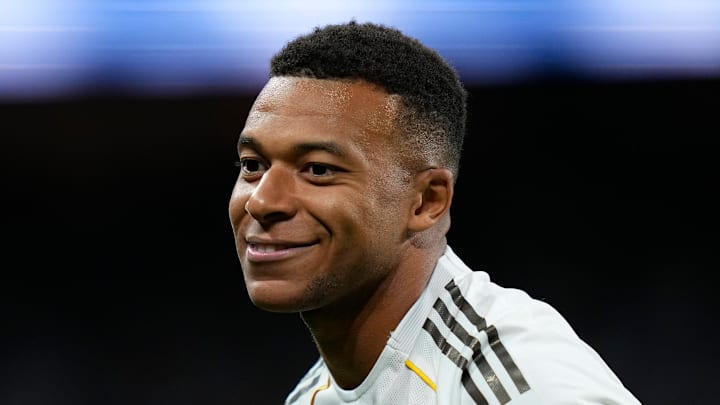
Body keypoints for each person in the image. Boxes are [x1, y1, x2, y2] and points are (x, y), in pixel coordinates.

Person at [228, 21, 641, 405]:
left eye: (318, 170)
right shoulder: (312, 395)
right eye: (252, 165)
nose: (262, 202)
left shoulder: (517, 382)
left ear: (427, 201)